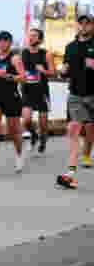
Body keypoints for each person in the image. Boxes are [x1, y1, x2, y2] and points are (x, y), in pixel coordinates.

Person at [57, 14, 94, 189]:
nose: (84, 26)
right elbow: (66, 67)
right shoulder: (70, 47)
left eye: (88, 23)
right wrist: (63, 71)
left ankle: (87, 153)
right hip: (76, 95)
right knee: (73, 130)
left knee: (91, 130)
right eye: (81, 23)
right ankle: (70, 174)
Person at [0, 31, 26, 174]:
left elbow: (23, 77)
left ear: (10, 42)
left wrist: (8, 76)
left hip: (11, 96)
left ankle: (19, 155)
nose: (2, 43)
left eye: (5, 41)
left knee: (13, 131)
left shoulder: (14, 59)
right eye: (0, 41)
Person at [20, 28, 56, 154]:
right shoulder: (23, 53)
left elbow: (53, 73)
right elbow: (18, 71)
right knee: (26, 120)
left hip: (42, 92)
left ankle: (43, 142)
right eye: (29, 36)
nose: (31, 38)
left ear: (40, 39)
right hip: (27, 91)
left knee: (43, 124)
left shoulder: (46, 54)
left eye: (34, 36)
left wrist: (43, 71)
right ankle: (34, 135)